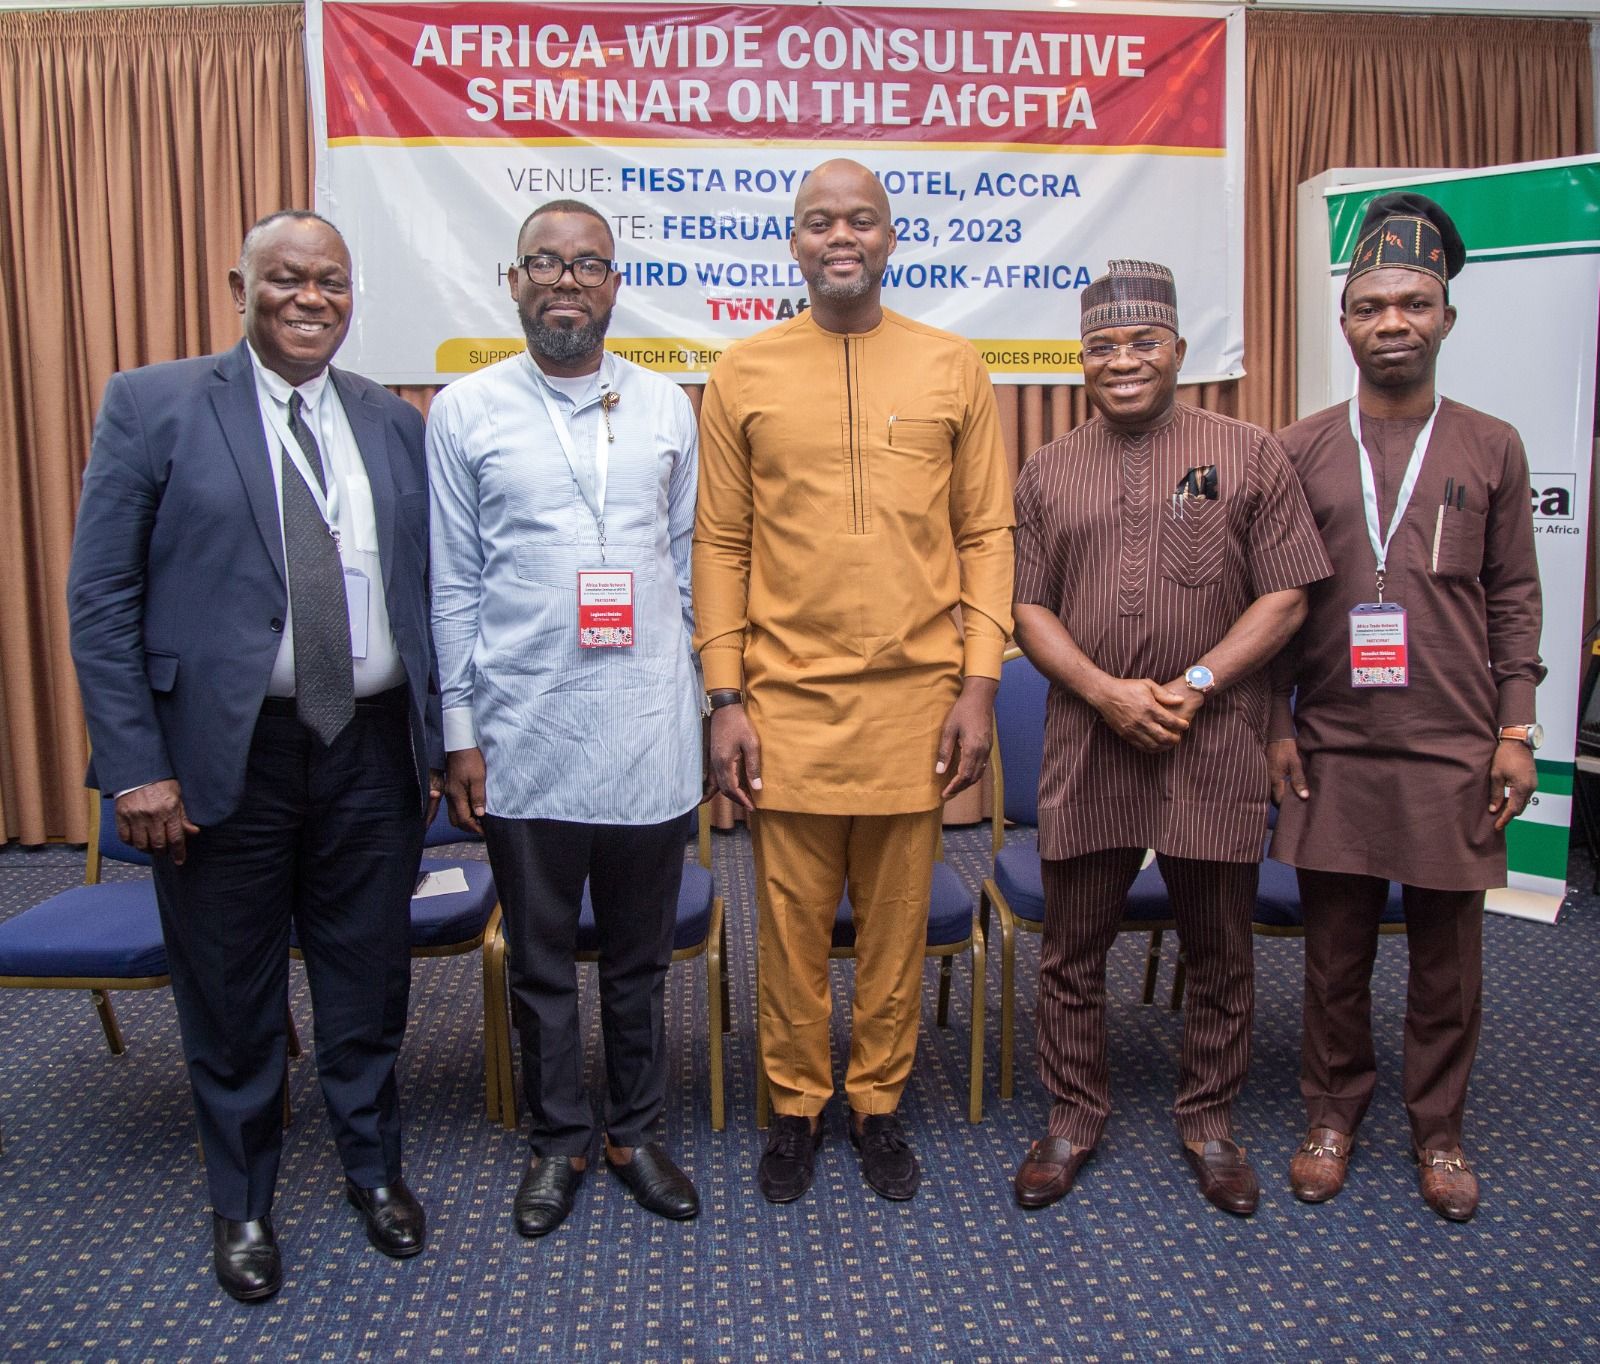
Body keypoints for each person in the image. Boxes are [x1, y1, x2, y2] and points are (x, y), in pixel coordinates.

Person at [67, 211, 440, 1302]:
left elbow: (420, 592)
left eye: (330, 280)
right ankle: (242, 1201)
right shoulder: (155, 403)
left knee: (366, 978)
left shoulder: (390, 420)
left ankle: (374, 1171)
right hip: (221, 757)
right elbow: (102, 599)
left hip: (371, 747)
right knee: (229, 993)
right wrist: (136, 764)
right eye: (286, 278)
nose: (310, 297)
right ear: (241, 284)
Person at [694, 158, 1014, 1204]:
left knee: (892, 921)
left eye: (861, 219)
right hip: (785, 704)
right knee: (785, 918)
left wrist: (977, 683)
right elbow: (721, 545)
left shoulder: (951, 365)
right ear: (792, 240)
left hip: (918, 700)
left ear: (890, 237)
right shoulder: (742, 372)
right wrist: (725, 694)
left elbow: (985, 533)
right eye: (820, 220)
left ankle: (876, 1098)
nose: (842, 236)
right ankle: (794, 1102)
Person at [1009, 260, 1331, 1217]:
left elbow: (1288, 594)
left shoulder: (1249, 452)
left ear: (1182, 352)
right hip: (1091, 738)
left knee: (1220, 950)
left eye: (1143, 341)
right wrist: (1108, 693)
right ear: (1080, 361)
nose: (1123, 360)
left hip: (1215, 737)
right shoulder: (1045, 469)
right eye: (1102, 345)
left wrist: (1196, 682)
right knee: (1072, 950)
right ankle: (1071, 1117)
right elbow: (1027, 610)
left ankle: (1210, 1123)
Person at [428, 200, 703, 1237]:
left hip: (645, 730)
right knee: (540, 963)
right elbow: (451, 586)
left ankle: (632, 1132)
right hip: (524, 732)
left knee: (637, 960)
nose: (566, 282)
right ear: (513, 280)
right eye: (545, 262)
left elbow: (681, 570)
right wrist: (460, 732)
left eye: (587, 265)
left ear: (613, 284)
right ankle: (556, 1141)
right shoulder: (465, 410)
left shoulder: (668, 404)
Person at [1269, 193, 1543, 1223]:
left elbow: (1514, 593)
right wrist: (1272, 723)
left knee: (1447, 960)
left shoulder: (1492, 446)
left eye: (1413, 303)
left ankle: (1439, 1128)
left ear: (1444, 318)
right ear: (1344, 321)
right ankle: (1330, 1114)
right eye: (1371, 304)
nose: (1392, 321)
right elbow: (1275, 606)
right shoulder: (1296, 448)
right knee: (1333, 953)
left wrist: (1513, 726)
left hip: (1454, 745)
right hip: (1334, 740)